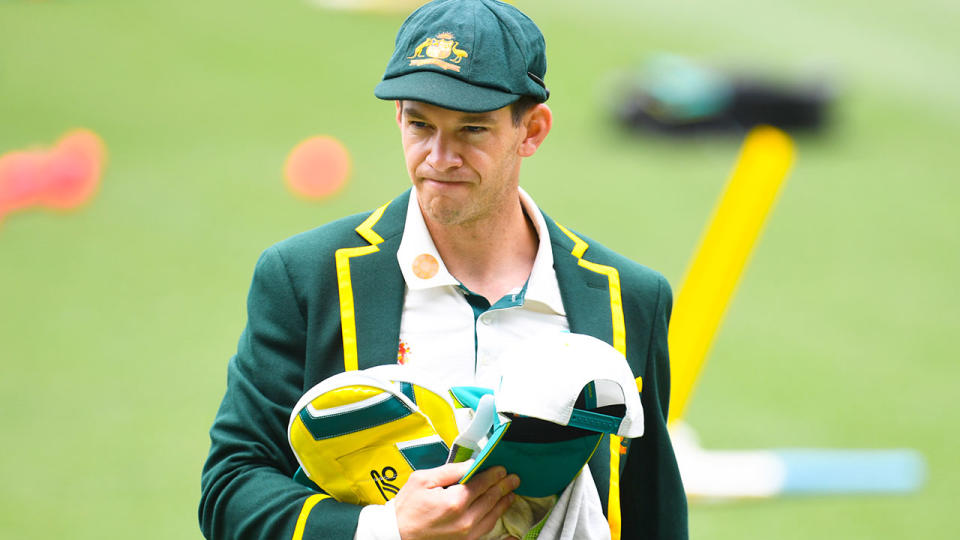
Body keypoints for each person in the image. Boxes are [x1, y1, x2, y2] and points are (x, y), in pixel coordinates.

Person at [198, 0, 688, 538]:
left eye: (471, 130)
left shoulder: (631, 297)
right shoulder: (303, 277)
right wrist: (387, 529)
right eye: (420, 124)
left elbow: (652, 515)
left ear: (533, 131)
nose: (438, 156)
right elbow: (231, 491)